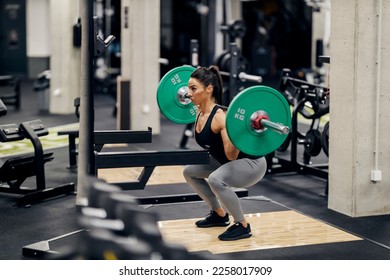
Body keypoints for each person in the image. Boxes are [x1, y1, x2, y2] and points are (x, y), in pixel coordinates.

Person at [183, 66, 267, 241]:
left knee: (216, 179)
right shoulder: (199, 111)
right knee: (189, 172)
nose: (188, 93)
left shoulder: (221, 117)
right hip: (224, 162)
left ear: (209, 89)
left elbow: (231, 156)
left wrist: (234, 130)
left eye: (193, 89)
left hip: (251, 164)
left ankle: (242, 225)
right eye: (188, 88)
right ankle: (219, 214)